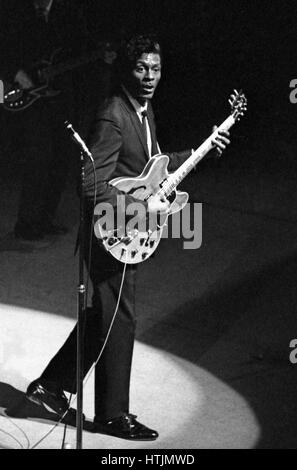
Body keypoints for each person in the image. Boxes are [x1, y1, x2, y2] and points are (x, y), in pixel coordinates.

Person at [25, 34, 230, 441]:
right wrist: (141, 208)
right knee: (119, 318)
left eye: (155, 68)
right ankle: (113, 415)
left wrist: (201, 150)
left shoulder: (143, 109)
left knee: (103, 315)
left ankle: (49, 386)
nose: (149, 76)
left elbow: (151, 165)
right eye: (141, 68)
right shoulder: (112, 115)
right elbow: (93, 187)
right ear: (127, 70)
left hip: (127, 231)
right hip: (109, 232)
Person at [1, 0, 90, 242]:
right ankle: (26, 223)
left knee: (61, 155)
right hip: (28, 97)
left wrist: (102, 57)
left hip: (58, 94)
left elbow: (78, 49)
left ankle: (45, 219)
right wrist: (15, 72)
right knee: (39, 155)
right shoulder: (15, 12)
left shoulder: (68, 13)